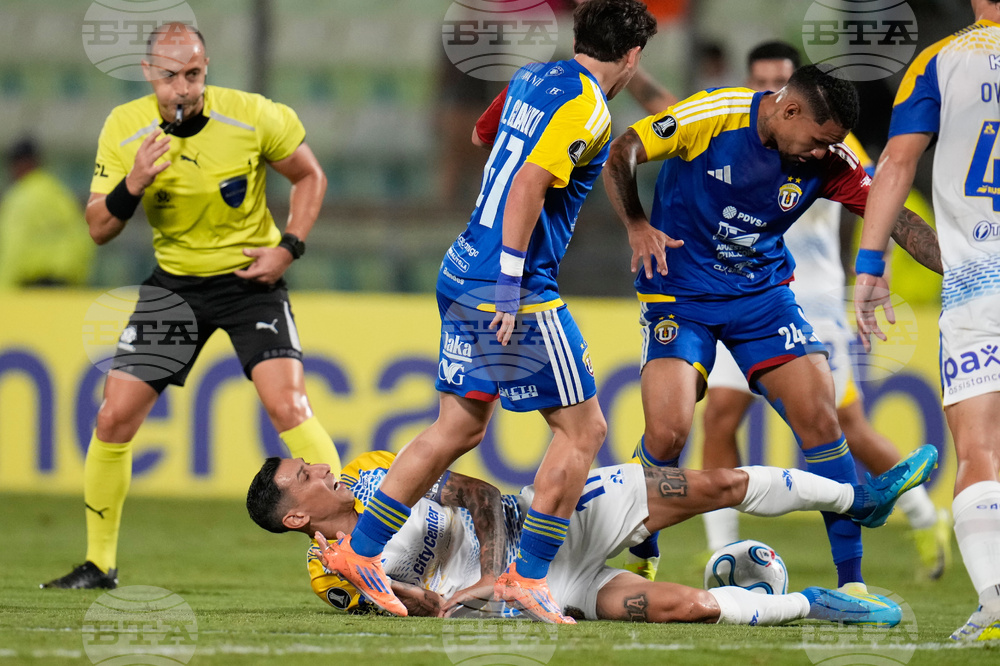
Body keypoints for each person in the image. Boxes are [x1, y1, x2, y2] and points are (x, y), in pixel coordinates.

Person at [320, 0, 658, 624]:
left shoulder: (534, 77)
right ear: (632, 57)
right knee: (583, 431)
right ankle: (527, 580)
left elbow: (484, 132)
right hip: (514, 283)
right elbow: (529, 184)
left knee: (458, 427)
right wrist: (509, 285)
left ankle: (361, 553)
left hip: (460, 266)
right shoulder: (590, 109)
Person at [602, 64, 943, 598]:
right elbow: (623, 149)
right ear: (788, 110)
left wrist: (965, 270)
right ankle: (642, 547)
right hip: (680, 294)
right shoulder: (714, 116)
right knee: (668, 433)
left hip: (761, 298)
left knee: (821, 419)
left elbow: (895, 214)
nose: (818, 154)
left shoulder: (831, 158)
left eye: (829, 146)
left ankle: (851, 588)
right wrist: (638, 225)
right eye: (815, 141)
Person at [41, 22, 341, 590]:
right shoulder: (125, 128)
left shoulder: (252, 116)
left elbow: (310, 175)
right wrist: (132, 183)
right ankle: (99, 564)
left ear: (207, 70)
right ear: (149, 73)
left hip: (248, 280)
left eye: (194, 74)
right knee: (113, 417)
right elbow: (98, 228)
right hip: (174, 287)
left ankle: (356, 544)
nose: (183, 87)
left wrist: (289, 246)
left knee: (290, 406)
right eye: (171, 75)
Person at [693, 42, 948, 580]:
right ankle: (722, 551)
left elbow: (877, 204)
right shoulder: (739, 123)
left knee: (844, 424)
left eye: (780, 77)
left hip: (815, 295)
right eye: (761, 78)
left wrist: (868, 272)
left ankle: (925, 517)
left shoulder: (828, 138)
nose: (772, 87)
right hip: (746, 292)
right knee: (718, 416)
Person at [246, 445, 938, 625]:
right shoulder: (329, 574)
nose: (321, 466)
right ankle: (818, 605)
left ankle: (862, 499)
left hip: (548, 522)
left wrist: (500, 570)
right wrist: (461, 596)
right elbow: (417, 609)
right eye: (303, 474)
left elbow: (479, 495)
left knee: (714, 485)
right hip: (551, 589)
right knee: (688, 608)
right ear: (297, 517)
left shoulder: (375, 474)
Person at [853, 0, 1000, 642]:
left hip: (978, 286)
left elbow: (896, 164)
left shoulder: (939, 62)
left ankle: (995, 601)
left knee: (979, 450)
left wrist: (870, 262)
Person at [0, 138, 94, 288]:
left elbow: (13, 248)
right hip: (66, 285)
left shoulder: (20, 197)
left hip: (30, 287)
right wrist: (78, 283)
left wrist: (4, 293)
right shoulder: (60, 194)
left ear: (19, 165)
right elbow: (83, 239)